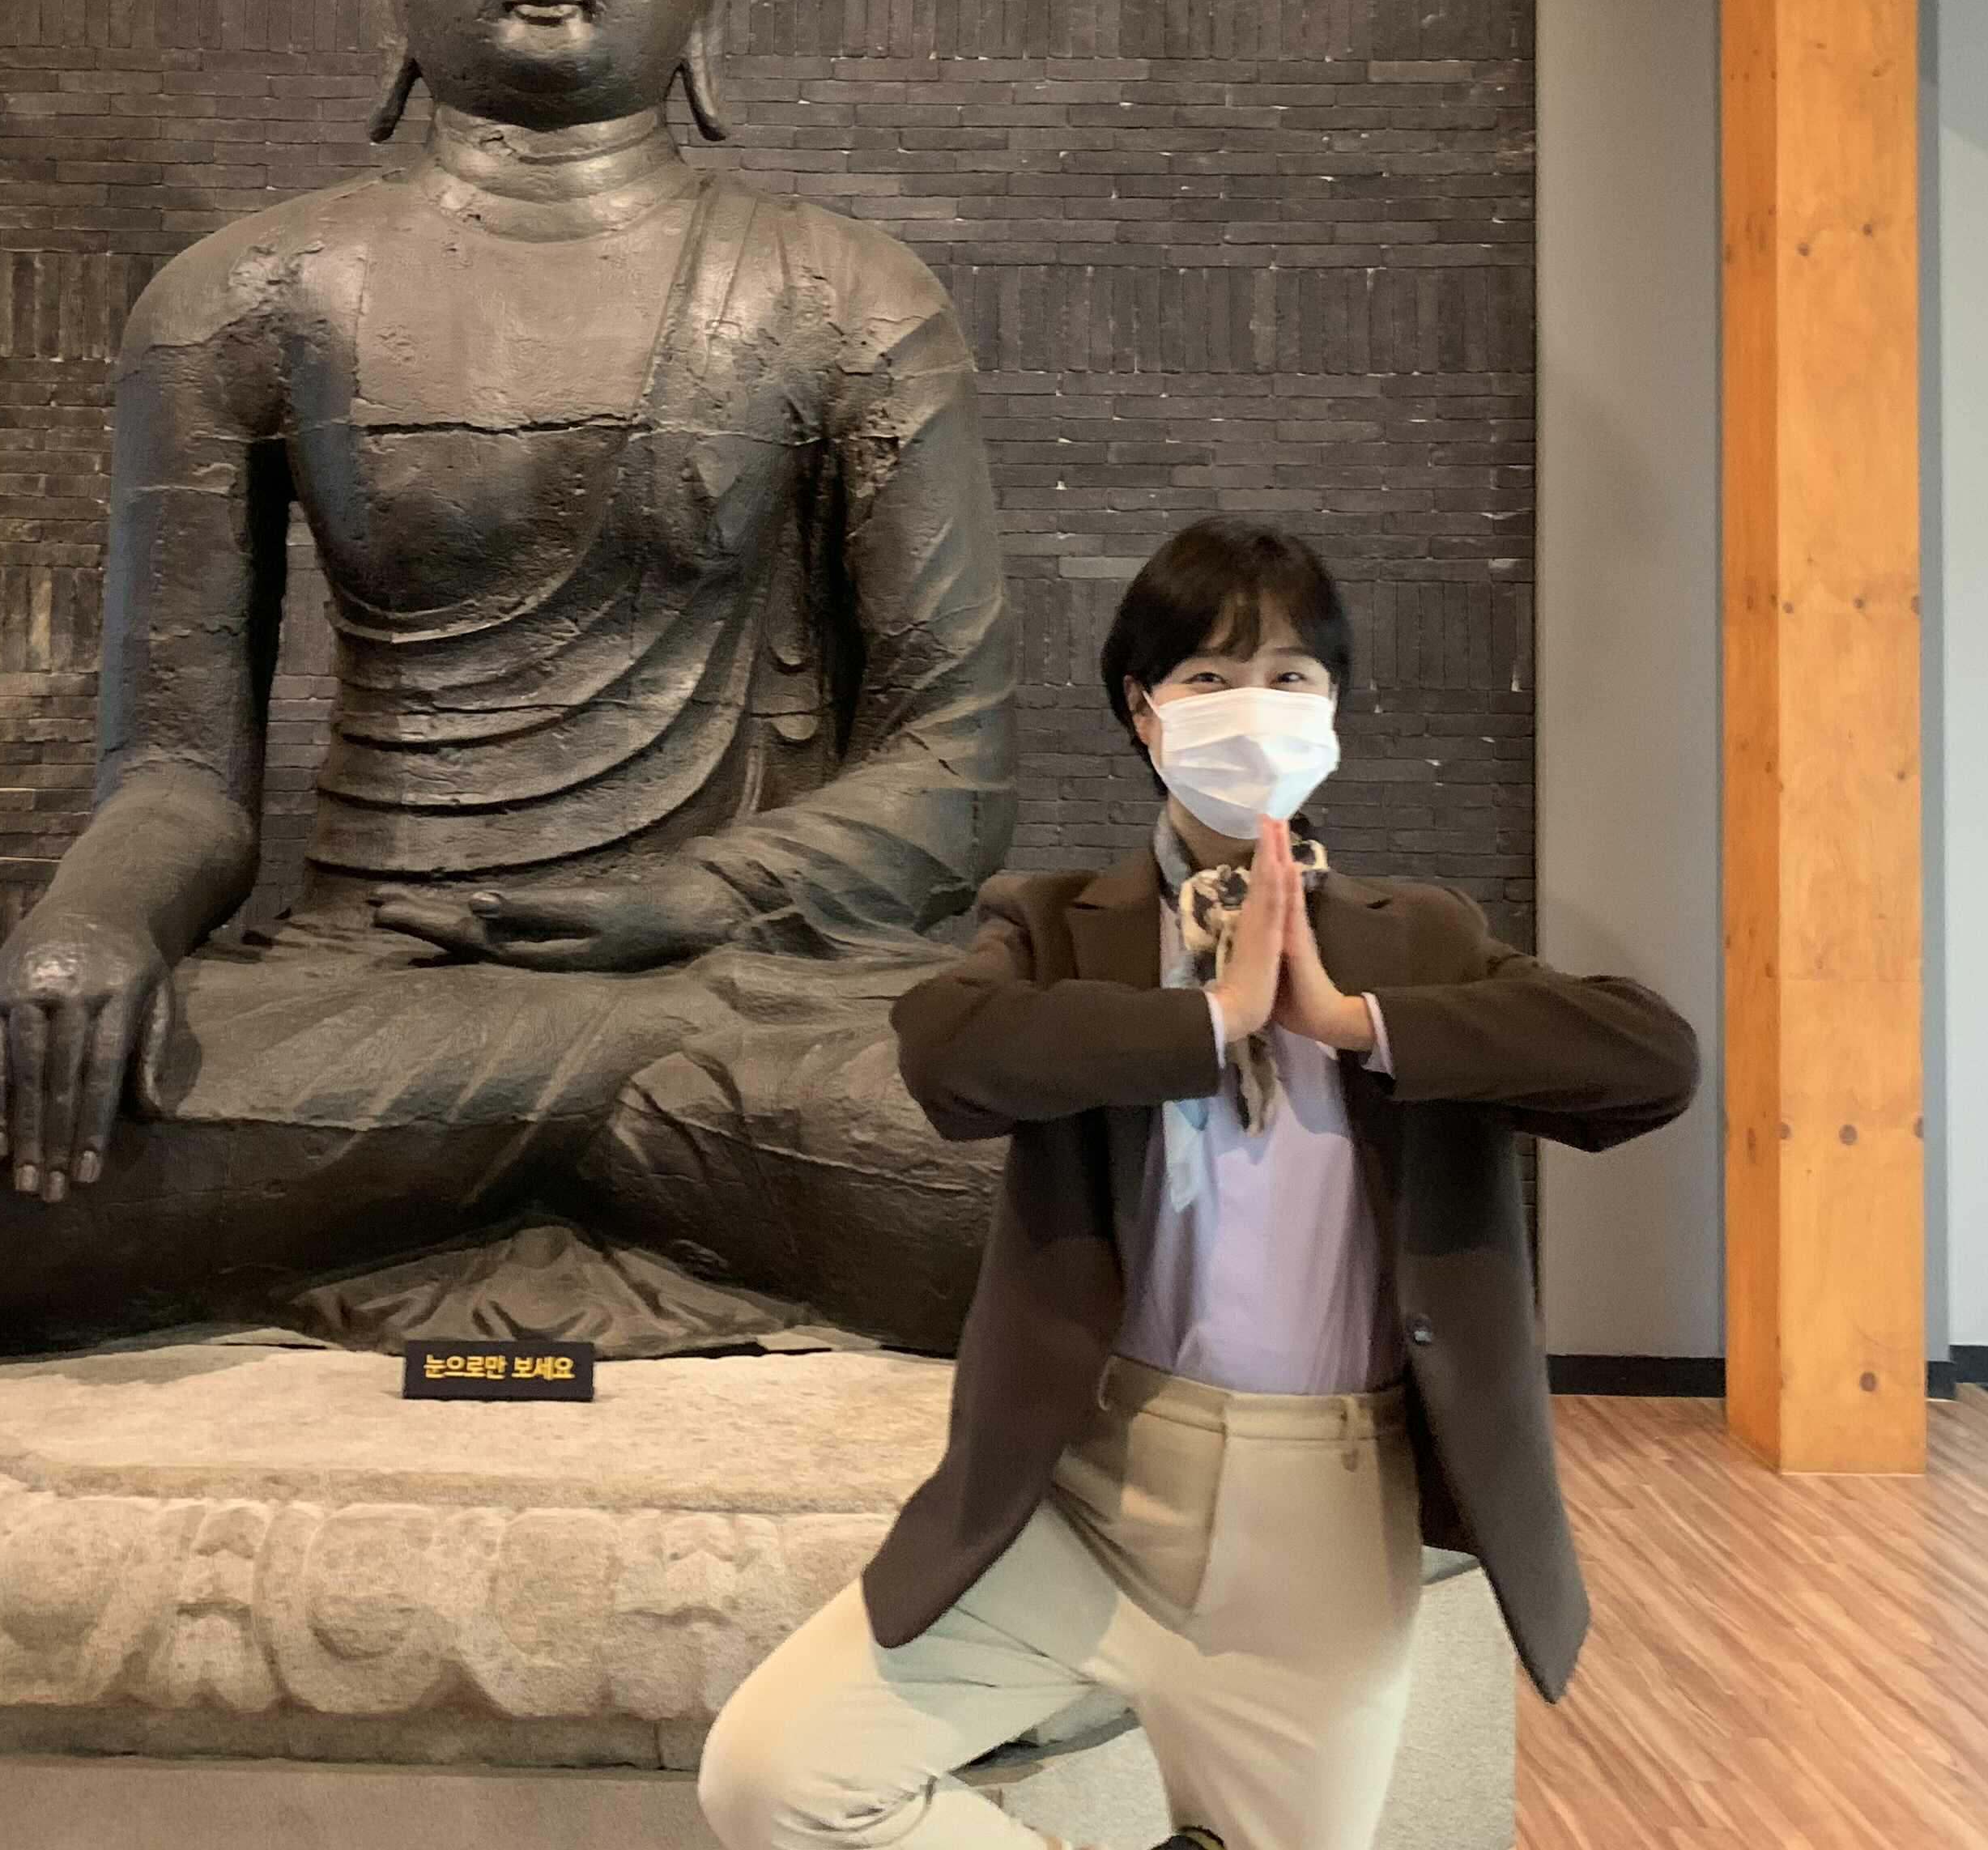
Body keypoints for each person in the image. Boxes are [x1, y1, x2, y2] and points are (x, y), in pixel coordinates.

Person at [0, 0, 1022, 1363]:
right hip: (377, 985)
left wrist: (703, 895)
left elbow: (957, 767)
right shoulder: (250, 299)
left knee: (1072, 1177)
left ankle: (485, 1153)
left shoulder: (847, 296)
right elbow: (179, 774)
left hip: (734, 990)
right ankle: (583, 1143)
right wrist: (89, 928)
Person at [698, 518, 1699, 1850]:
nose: (1256, 706)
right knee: (778, 1777)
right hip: (1087, 1502)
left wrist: (1350, 1023)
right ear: (1144, 706)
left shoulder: (1424, 939)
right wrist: (1210, 1020)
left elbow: (1651, 1062)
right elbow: (947, 1054)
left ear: (1335, 708)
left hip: (1326, 1535)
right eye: (1212, 676)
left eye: (1292, 677)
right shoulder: (1056, 924)